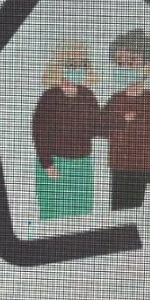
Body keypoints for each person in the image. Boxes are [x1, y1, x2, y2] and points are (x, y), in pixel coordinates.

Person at [31, 42, 101, 220]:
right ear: (59, 67)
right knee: (54, 216)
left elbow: (96, 127)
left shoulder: (88, 95)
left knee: (82, 217)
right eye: (71, 65)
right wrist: (47, 164)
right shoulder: (49, 97)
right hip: (56, 164)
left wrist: (120, 122)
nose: (77, 70)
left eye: (82, 65)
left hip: (82, 166)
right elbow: (39, 132)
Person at [103, 29, 150, 211]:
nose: (124, 68)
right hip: (120, 167)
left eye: (132, 62)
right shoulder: (116, 100)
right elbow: (99, 126)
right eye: (119, 63)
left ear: (148, 67)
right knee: (120, 211)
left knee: (141, 213)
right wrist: (119, 121)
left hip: (145, 169)